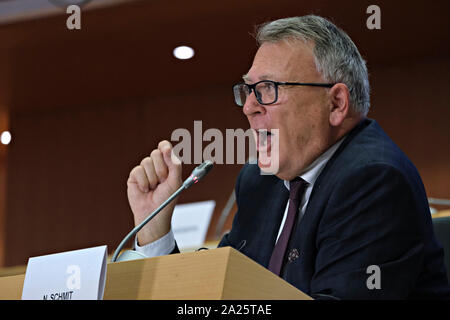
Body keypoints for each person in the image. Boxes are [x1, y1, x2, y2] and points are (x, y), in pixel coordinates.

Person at [126, 15, 450, 299]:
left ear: (336, 103)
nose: (249, 107)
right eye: (248, 90)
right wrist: (154, 226)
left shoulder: (373, 181)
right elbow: (215, 292)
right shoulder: (260, 182)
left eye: (268, 89)